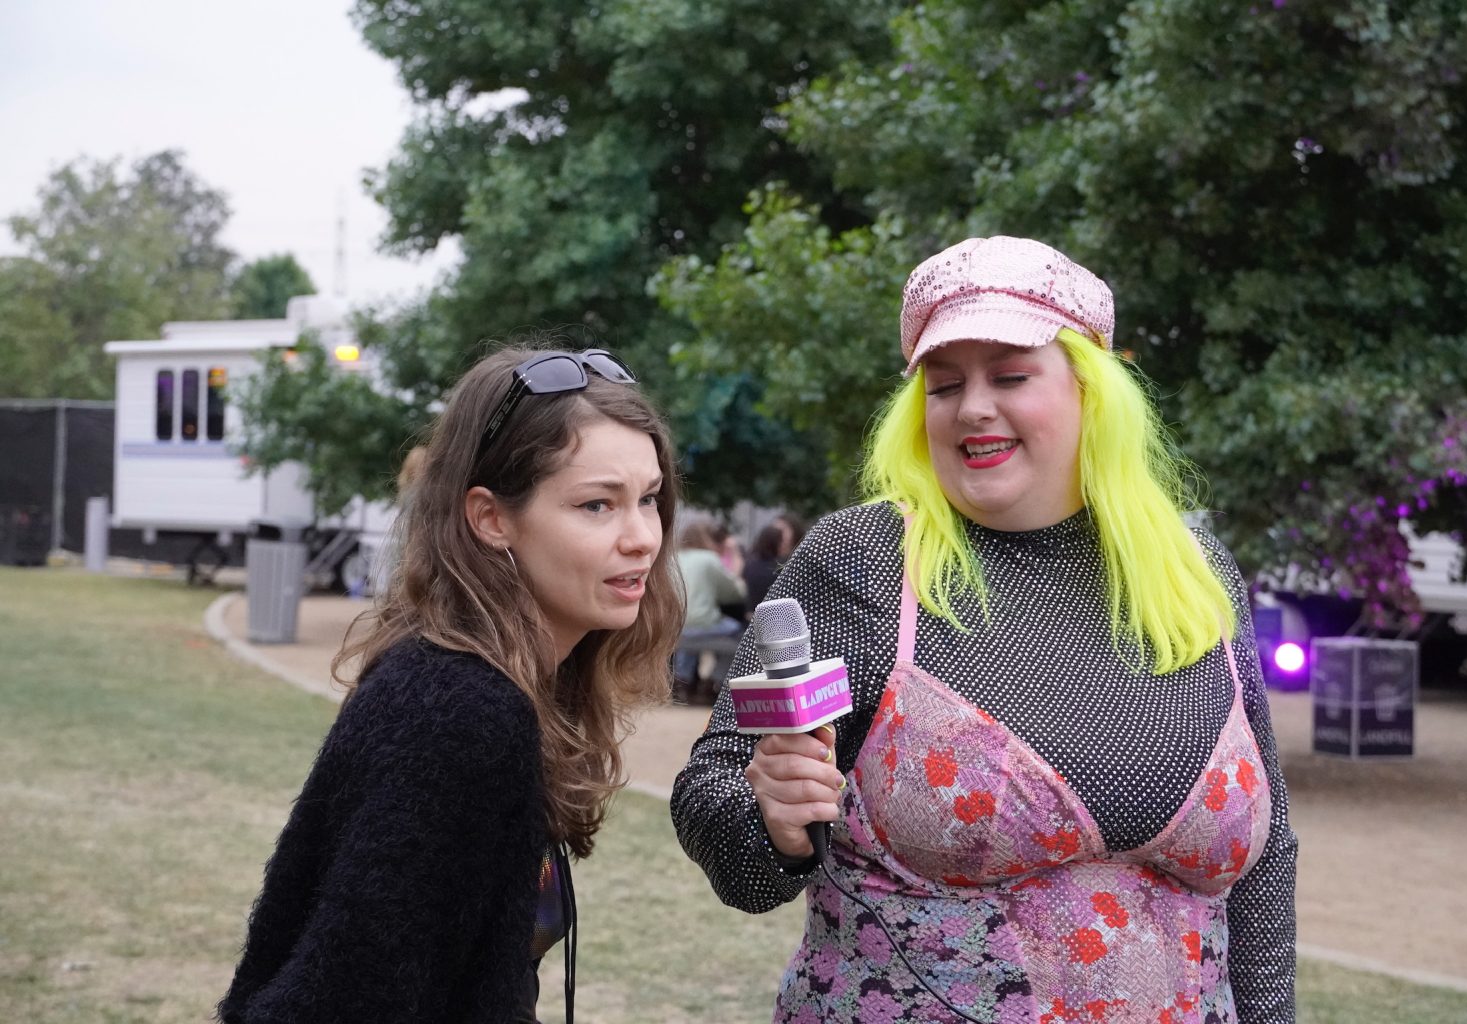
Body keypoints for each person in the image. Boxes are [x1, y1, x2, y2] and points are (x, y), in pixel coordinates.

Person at [671, 236, 1298, 1023]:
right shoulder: (863, 561)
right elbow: (715, 788)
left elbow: (1267, 858)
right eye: (943, 385)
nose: (971, 407)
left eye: (1009, 375)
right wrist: (771, 823)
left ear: (1092, 391)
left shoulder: (1192, 568)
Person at [219, 343, 685, 1024]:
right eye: (596, 505)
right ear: (491, 519)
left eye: (648, 499)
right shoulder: (459, 713)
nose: (643, 536)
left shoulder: (497, 687)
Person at [673, 518, 747, 693]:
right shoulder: (709, 559)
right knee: (740, 633)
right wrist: (736, 561)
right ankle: (716, 679)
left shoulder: (673, 557)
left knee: (689, 632)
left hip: (675, 624)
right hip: (702, 623)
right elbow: (734, 593)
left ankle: (682, 679)